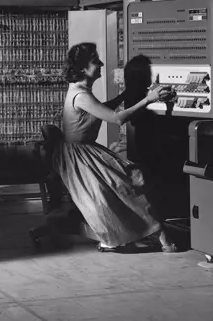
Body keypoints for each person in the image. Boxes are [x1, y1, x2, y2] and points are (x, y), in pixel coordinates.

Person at [51, 42, 178, 254]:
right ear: (83, 68)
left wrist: (126, 95)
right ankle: (156, 237)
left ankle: (132, 233)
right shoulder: (81, 95)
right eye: (95, 61)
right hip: (80, 156)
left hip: (81, 151)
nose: (101, 64)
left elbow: (99, 110)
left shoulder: (80, 90)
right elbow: (117, 119)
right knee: (129, 180)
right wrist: (148, 99)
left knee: (126, 181)